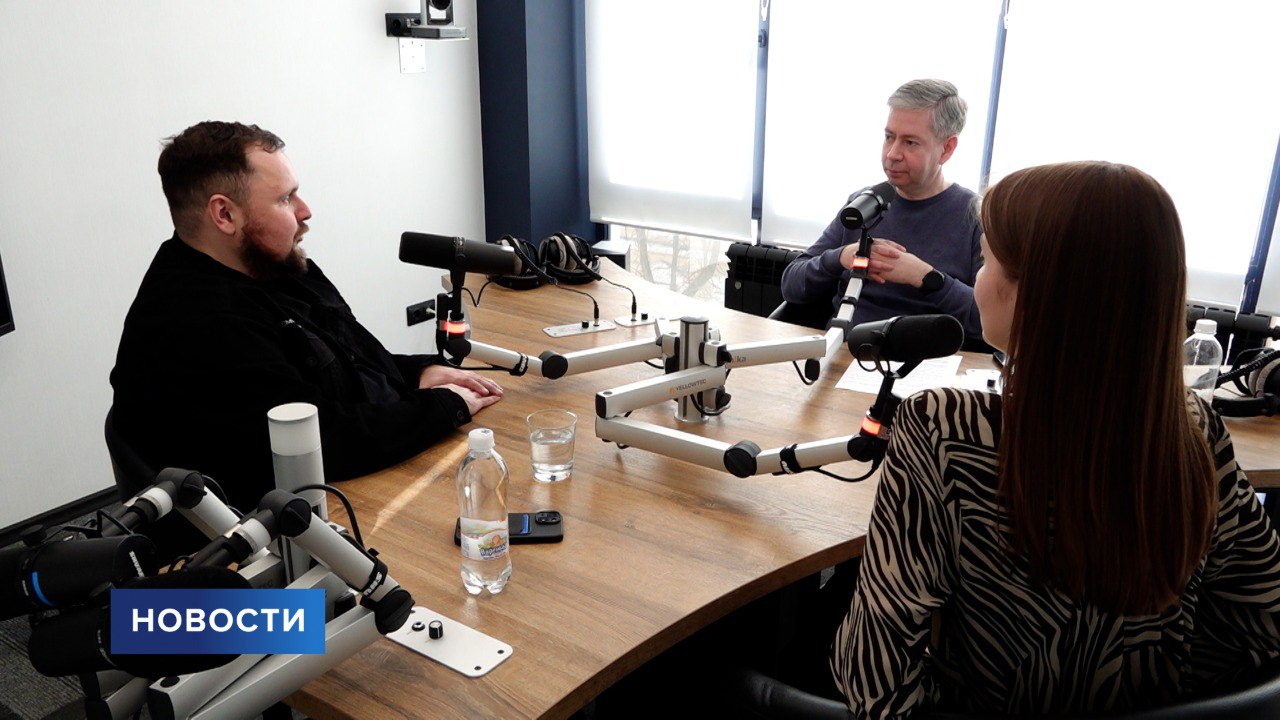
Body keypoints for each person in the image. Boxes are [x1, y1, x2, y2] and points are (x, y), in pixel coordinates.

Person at [830, 162, 1280, 717]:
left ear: (1037, 294)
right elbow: (1263, 622)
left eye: (986, 261)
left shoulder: (943, 428)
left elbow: (873, 680)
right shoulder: (1194, 428)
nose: (978, 281)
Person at [111, 121, 503, 520]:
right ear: (225, 214)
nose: (305, 210)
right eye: (285, 198)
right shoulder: (198, 322)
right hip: (259, 528)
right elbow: (319, 438)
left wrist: (416, 373)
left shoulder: (272, 267)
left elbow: (349, 355)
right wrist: (442, 408)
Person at [780, 79, 983, 343]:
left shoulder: (976, 217)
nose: (892, 154)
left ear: (947, 149)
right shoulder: (865, 204)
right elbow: (791, 285)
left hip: (924, 360)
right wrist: (840, 257)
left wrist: (925, 278)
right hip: (845, 351)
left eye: (910, 143)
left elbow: (990, 322)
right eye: (889, 137)